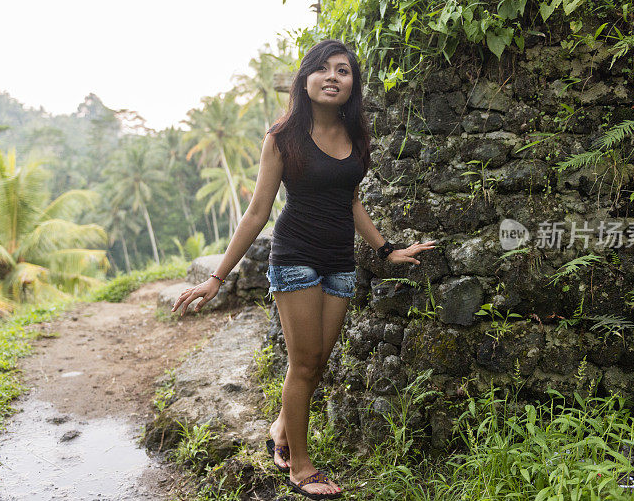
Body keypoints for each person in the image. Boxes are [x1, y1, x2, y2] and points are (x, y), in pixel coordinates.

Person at [171, 39, 436, 499]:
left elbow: (351, 200)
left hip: (339, 262)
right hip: (294, 258)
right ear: (306, 78)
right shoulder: (283, 137)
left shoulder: (357, 138)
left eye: (344, 71)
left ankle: (281, 428)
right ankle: (300, 465)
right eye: (324, 69)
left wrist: (385, 250)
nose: (334, 77)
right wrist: (217, 278)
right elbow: (257, 212)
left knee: (316, 366)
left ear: (353, 84)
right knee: (304, 363)